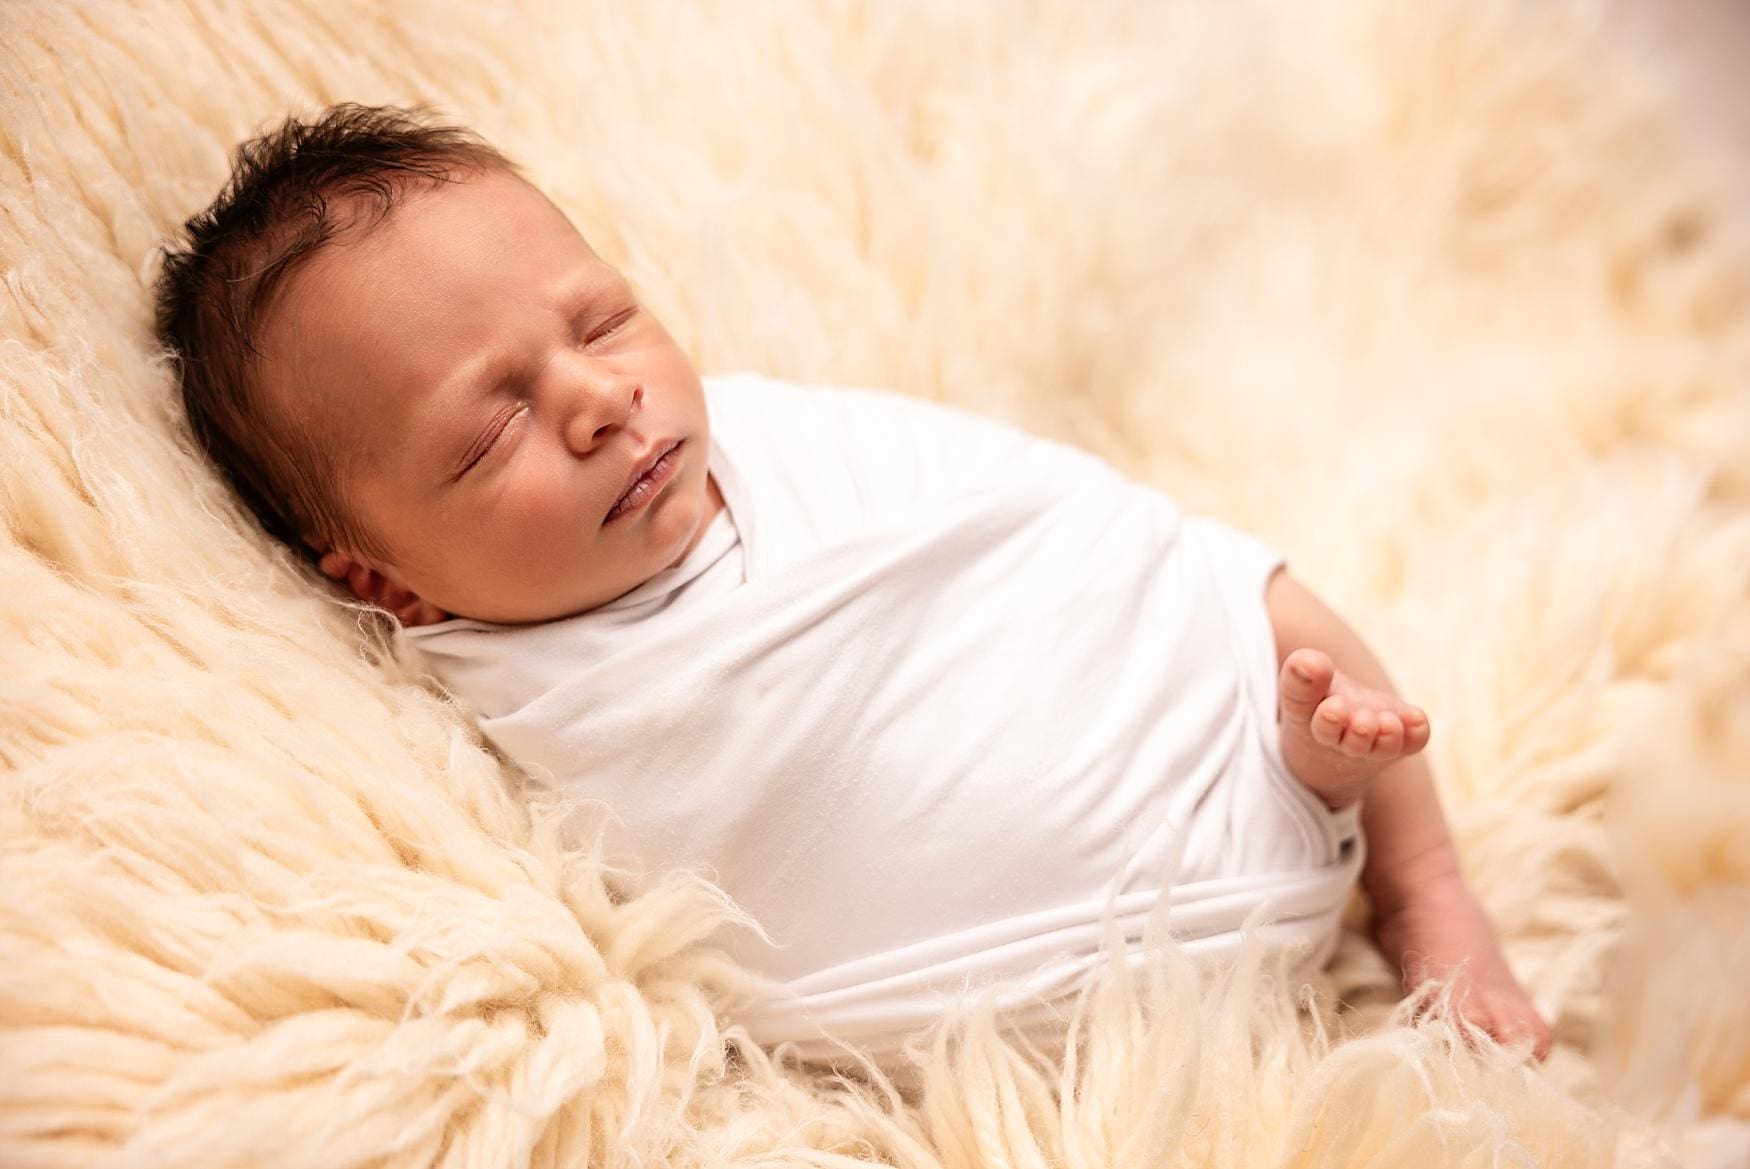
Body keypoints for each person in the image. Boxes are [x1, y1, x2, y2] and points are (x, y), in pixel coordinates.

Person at [154, 102, 1553, 1066]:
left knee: (1254, 597)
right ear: (384, 580)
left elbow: (1076, 533)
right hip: (1006, 1012)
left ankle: (1416, 878)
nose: (598, 399)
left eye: (602, 320)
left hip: (1230, 765)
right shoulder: (465, 697)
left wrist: (1226, 684)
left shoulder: (794, 446)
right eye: (491, 428)